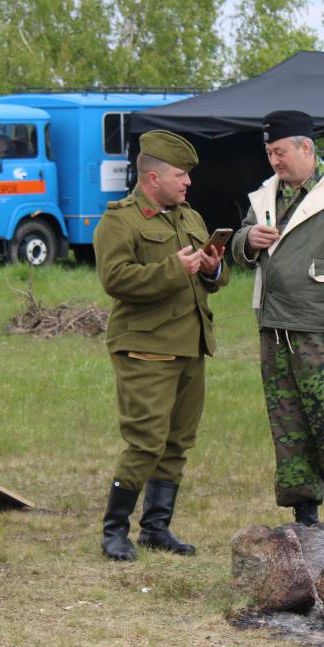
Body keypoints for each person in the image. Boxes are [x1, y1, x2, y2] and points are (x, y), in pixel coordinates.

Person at [230, 110, 324, 533]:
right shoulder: (267, 194)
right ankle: (304, 516)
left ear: (306, 147)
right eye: (269, 153)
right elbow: (240, 241)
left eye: (280, 152)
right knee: (289, 424)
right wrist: (248, 240)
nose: (274, 161)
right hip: (276, 329)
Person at [93, 129, 228, 561]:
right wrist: (174, 269)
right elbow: (115, 279)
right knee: (146, 441)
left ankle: (156, 528)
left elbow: (215, 279)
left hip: (190, 344)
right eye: (180, 175)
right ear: (153, 178)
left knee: (176, 441)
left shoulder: (190, 217)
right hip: (145, 347)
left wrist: (212, 268)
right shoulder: (120, 221)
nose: (188, 182)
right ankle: (114, 531)